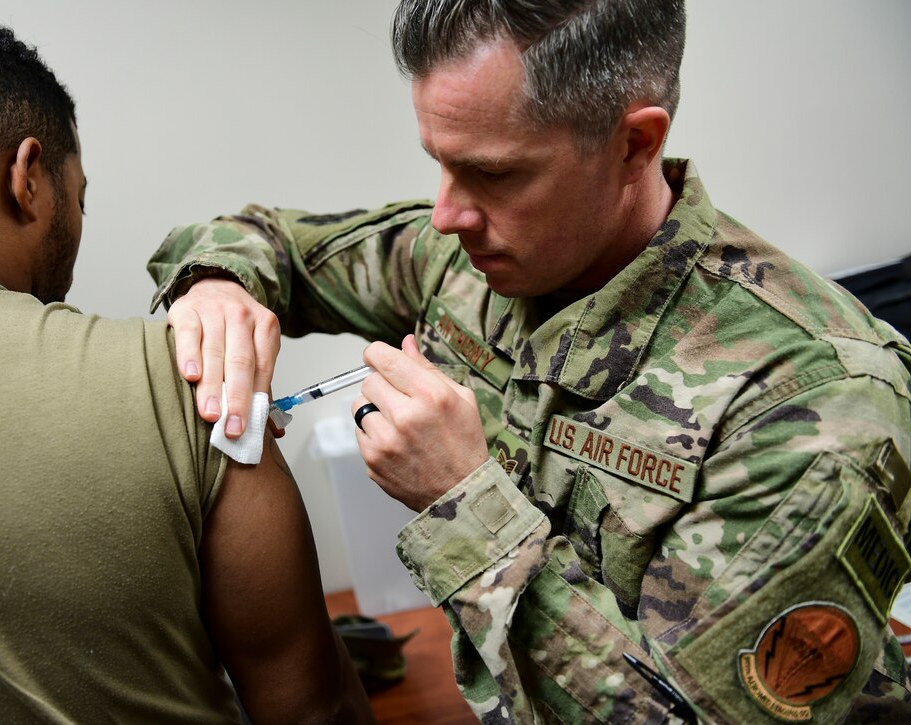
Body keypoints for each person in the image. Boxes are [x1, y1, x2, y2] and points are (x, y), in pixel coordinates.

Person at [147, 0, 911, 722]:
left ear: (634, 145)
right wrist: (216, 285)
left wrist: (464, 502)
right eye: (438, 163)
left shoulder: (818, 407)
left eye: (494, 173)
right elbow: (266, 240)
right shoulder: (462, 260)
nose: (447, 212)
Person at [0, 13, 372, 723]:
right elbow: (312, 711)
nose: (78, 224)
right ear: (27, 179)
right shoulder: (188, 385)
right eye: (77, 197)